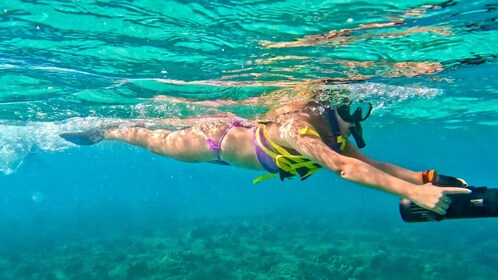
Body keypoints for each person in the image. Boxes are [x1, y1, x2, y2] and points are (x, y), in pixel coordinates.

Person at [60, 80, 471, 217]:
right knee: (150, 138)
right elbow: (343, 170)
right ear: (333, 105)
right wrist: (414, 194)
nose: (359, 120)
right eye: (355, 109)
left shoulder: (336, 134)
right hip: (213, 143)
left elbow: (369, 162)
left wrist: (424, 179)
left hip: (247, 135)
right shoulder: (300, 128)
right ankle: (106, 130)